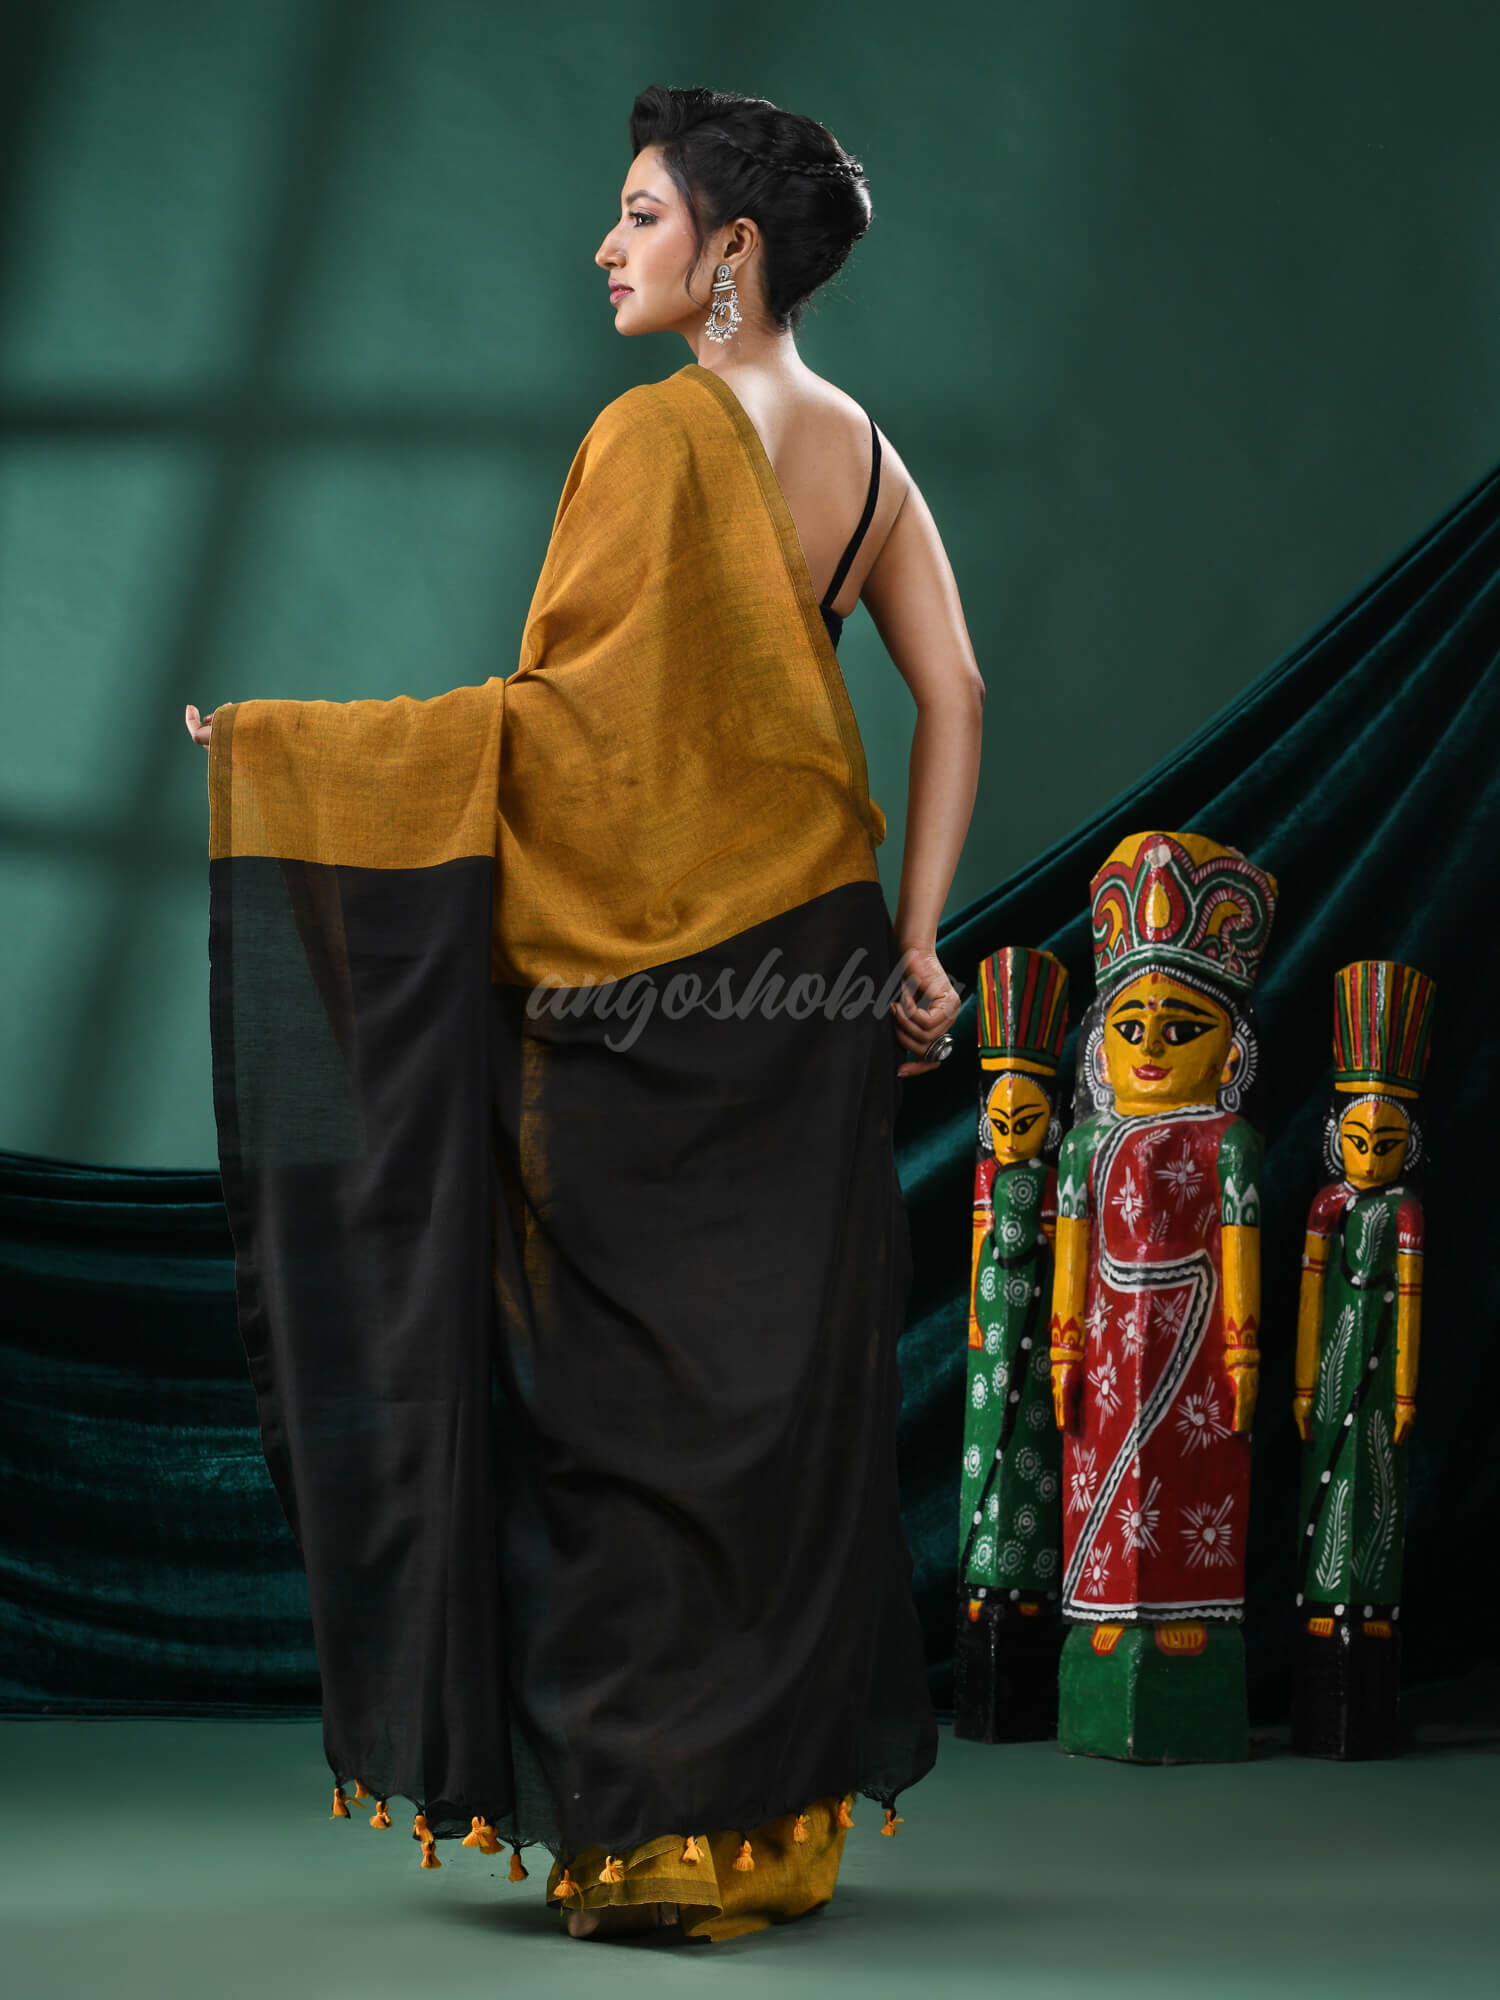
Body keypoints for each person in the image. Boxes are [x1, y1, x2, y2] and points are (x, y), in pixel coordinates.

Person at [185, 83, 984, 1943]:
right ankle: (770, 1836)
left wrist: (292, 754)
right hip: (812, 973)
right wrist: (920, 944)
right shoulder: (869, 457)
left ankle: (650, 1841)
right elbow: (954, 689)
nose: (606, 247)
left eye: (639, 214)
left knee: (619, 1410)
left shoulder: (655, 432)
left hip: (636, 998)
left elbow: (567, 729)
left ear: (733, 251)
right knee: (775, 1404)